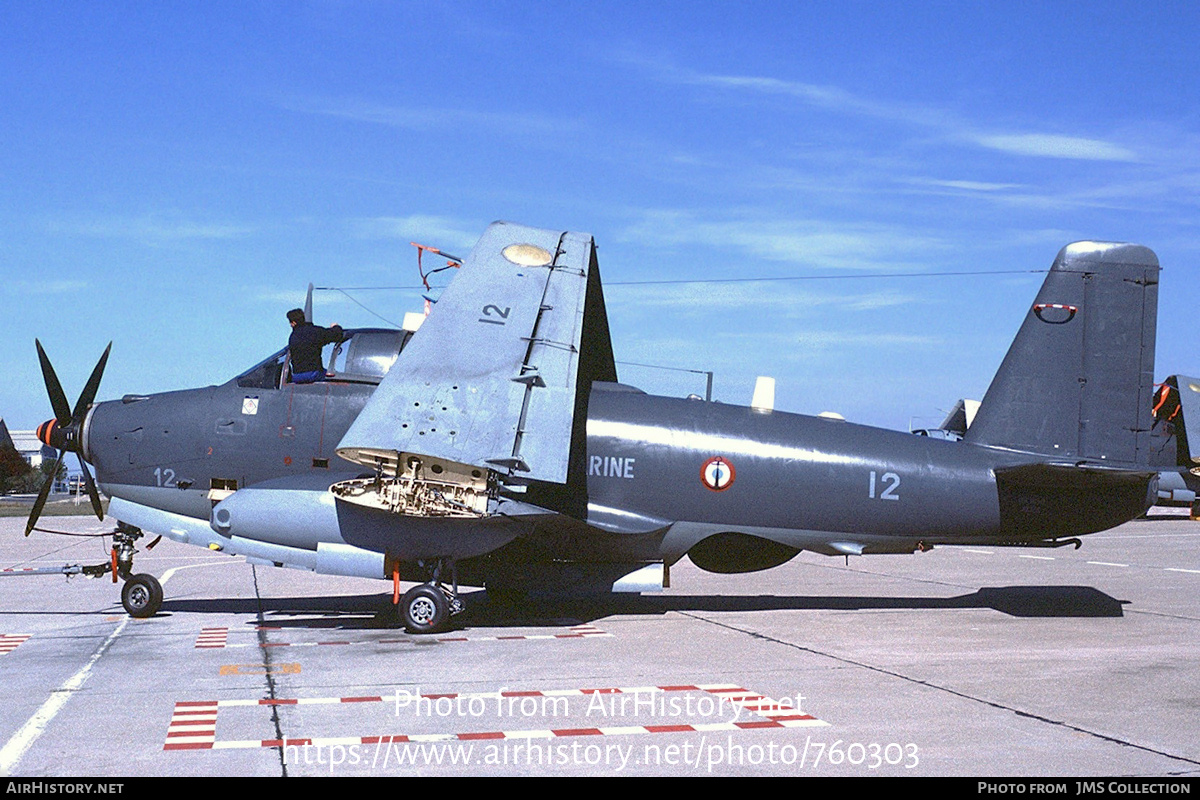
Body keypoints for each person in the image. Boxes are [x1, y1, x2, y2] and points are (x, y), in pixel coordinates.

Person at [286, 308, 343, 384]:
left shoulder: (293, 337)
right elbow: (336, 335)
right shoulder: (316, 332)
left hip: (297, 376)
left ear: (293, 323)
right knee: (336, 377)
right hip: (314, 374)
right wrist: (336, 327)